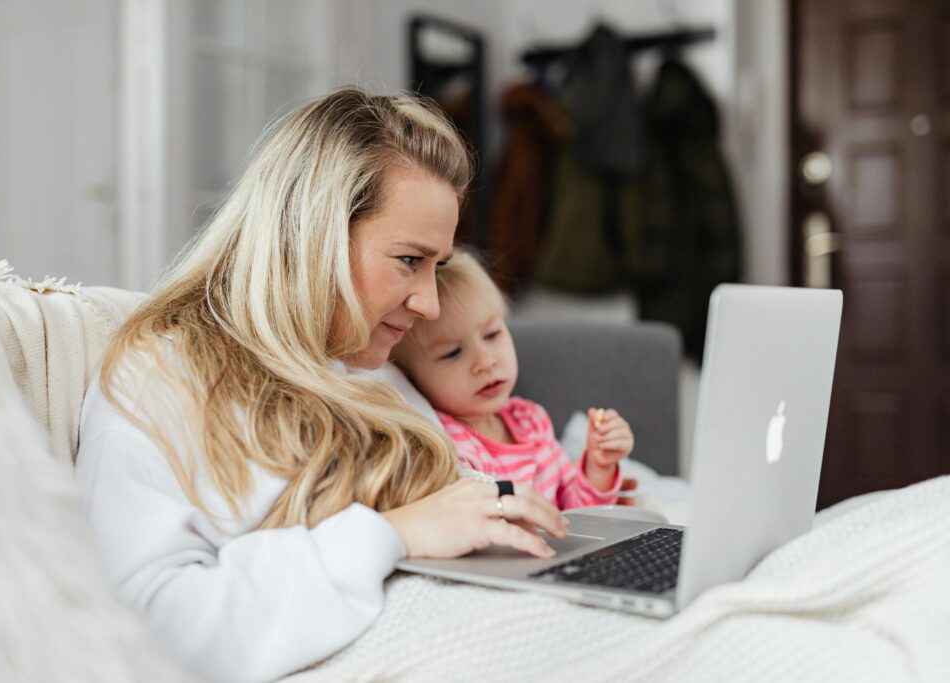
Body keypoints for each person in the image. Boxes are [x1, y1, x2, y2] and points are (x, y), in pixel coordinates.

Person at [74, 88, 571, 683]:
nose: (431, 304)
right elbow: (151, 628)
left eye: (437, 267)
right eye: (410, 260)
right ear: (313, 234)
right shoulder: (163, 376)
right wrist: (392, 534)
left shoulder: (374, 366)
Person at [391, 248, 637, 510]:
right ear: (412, 379)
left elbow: (578, 514)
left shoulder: (531, 421)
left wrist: (599, 466)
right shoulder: (447, 445)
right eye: (452, 353)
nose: (486, 361)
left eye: (492, 334)